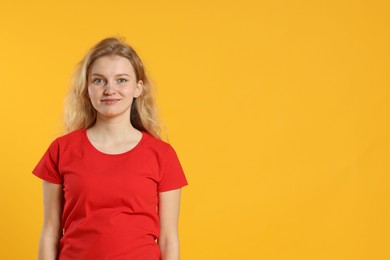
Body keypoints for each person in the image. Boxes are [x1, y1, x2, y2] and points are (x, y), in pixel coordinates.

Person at [32, 37, 188, 260]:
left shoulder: (162, 154)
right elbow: (50, 232)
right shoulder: (61, 150)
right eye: (99, 81)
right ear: (87, 88)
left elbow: (169, 239)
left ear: (138, 88)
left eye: (121, 80)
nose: (110, 89)